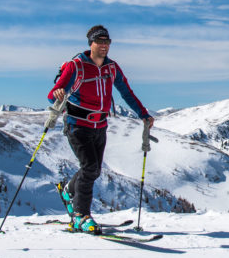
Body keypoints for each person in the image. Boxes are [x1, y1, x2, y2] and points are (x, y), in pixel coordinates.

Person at [48, 25, 154, 234]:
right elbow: (53, 95)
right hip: (77, 124)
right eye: (100, 41)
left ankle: (69, 191)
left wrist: (143, 114)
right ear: (91, 43)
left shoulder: (112, 68)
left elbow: (126, 92)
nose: (104, 45)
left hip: (100, 125)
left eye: (107, 42)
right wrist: (58, 92)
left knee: (94, 169)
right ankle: (81, 216)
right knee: (89, 168)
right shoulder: (76, 66)